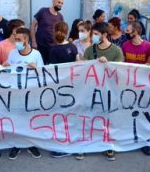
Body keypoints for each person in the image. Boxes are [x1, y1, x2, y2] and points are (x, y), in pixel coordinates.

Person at [83, 22, 124, 161]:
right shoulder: (89, 51)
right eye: (92, 34)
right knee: (90, 117)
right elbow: (83, 71)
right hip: (92, 91)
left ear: (105, 35)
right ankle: (86, 144)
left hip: (109, 91)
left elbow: (120, 72)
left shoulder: (116, 51)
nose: (93, 37)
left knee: (108, 119)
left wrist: (108, 64)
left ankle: (108, 145)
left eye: (96, 34)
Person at [4, 28, 43, 159]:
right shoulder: (12, 53)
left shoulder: (36, 54)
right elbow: (8, 73)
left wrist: (36, 69)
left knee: (30, 120)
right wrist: (5, 67)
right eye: (15, 39)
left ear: (27, 40)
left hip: (31, 95)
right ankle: (17, 145)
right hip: (16, 95)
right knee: (17, 119)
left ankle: (31, 144)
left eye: (19, 40)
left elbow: (44, 75)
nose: (17, 42)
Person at [49, 22, 78, 158]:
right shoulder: (73, 47)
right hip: (72, 87)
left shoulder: (53, 50)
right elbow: (78, 65)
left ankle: (64, 147)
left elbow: (52, 71)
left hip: (59, 89)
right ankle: (69, 143)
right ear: (66, 32)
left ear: (55, 31)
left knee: (60, 117)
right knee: (69, 116)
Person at [31, 0, 64, 64]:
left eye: (62, 3)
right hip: (40, 46)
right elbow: (33, 25)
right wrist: (33, 41)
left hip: (53, 47)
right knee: (39, 66)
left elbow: (61, 32)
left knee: (51, 67)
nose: (60, 4)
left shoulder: (60, 17)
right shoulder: (43, 11)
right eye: (59, 2)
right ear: (53, 1)